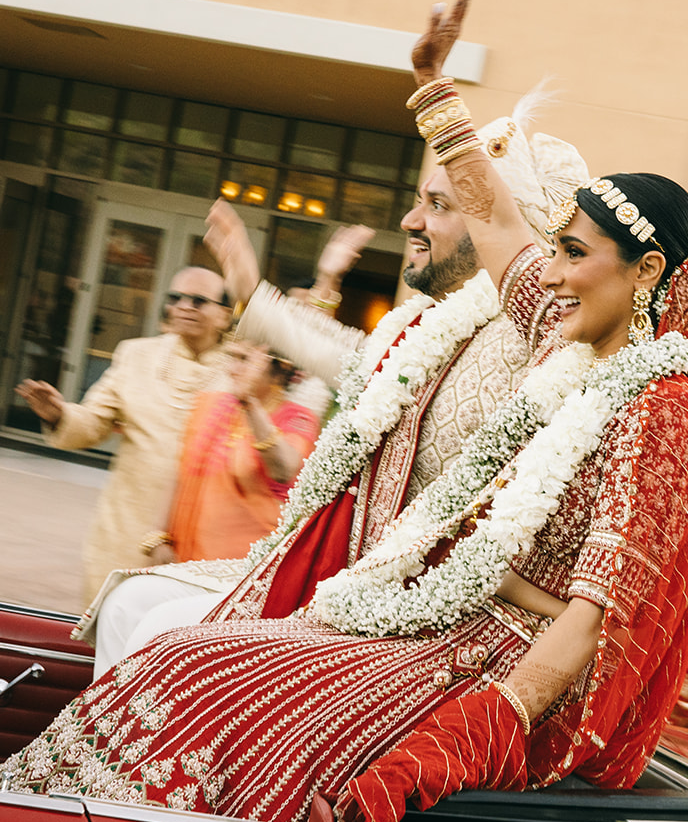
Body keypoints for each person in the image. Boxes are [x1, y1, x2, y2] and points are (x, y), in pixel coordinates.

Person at [0, 0, 688, 822]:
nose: (551, 270)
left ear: (645, 271)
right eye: (553, 251)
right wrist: (430, 87)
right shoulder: (560, 335)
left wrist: (466, 736)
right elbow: (493, 221)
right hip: (426, 612)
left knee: (207, 684)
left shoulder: (663, 407)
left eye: (573, 253)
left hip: (491, 663)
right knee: (181, 651)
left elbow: (594, 620)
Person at [79, 92, 591, 667]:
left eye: (440, 207)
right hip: (326, 567)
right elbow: (352, 359)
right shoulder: (426, 326)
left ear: (503, 237)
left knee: (159, 629)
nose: (411, 222)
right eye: (419, 201)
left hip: (400, 614)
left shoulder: (537, 345)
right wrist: (253, 290)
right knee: (129, 602)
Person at [16, 265, 233, 602]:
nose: (184, 306)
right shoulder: (137, 355)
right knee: (111, 631)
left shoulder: (242, 369)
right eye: (176, 298)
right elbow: (95, 421)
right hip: (129, 524)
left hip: (208, 532)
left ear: (224, 316)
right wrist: (60, 415)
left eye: (198, 300)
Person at [152, 344, 319, 564]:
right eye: (232, 357)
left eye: (244, 359)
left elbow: (283, 468)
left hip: (241, 567)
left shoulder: (298, 418)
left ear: (279, 370)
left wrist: (249, 403)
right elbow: (179, 474)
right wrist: (158, 538)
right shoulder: (210, 404)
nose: (232, 369)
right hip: (181, 556)